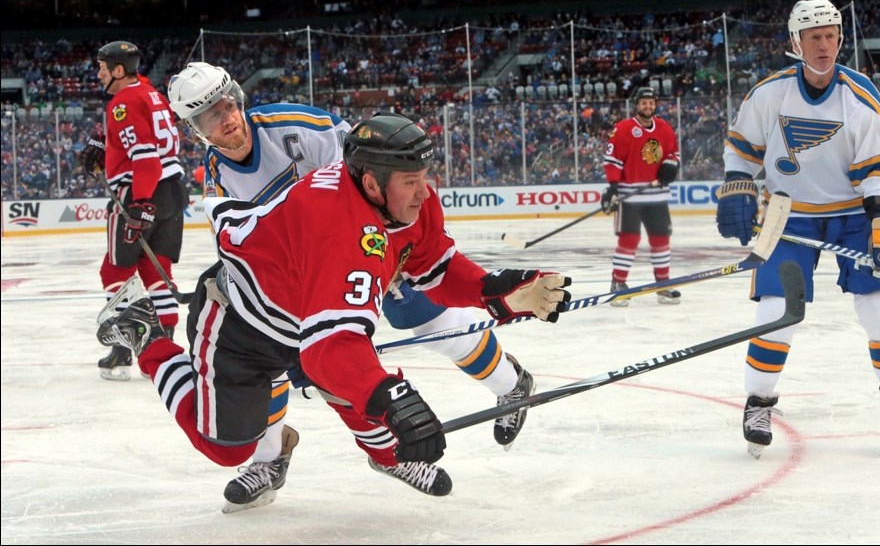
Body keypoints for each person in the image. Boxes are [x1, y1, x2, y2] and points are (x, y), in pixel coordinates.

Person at [96, 112, 572, 506]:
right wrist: (392, 398)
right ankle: (148, 336)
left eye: (424, 178)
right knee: (224, 448)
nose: (424, 193)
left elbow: (435, 269)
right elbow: (327, 351)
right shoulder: (336, 225)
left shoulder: (405, 197)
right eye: (412, 182)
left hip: (307, 320)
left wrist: (500, 292)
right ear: (371, 182)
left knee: (376, 411)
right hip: (244, 322)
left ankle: (384, 455)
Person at [715, 0, 880, 458]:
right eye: (815, 37)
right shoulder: (769, 93)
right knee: (776, 314)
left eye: (832, 35)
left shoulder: (859, 95)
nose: (825, 45)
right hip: (789, 215)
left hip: (853, 215)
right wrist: (737, 185)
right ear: (795, 42)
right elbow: (742, 150)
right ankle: (759, 402)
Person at [79, 40, 186, 381]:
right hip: (172, 191)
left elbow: (144, 157)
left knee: (115, 273)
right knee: (158, 271)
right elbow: (146, 143)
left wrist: (139, 204)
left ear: (119, 70)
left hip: (141, 192)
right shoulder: (151, 93)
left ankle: (124, 346)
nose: (98, 74)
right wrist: (105, 143)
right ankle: (165, 342)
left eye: (102, 68)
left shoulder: (123, 102)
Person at [600, 86, 682, 307]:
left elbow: (673, 153)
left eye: (651, 102)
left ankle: (663, 285)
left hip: (657, 196)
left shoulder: (664, 128)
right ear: (636, 105)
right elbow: (612, 160)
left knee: (661, 240)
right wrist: (613, 188)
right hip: (629, 196)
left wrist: (670, 166)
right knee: (629, 240)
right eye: (644, 102)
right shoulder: (624, 129)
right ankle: (618, 284)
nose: (648, 106)